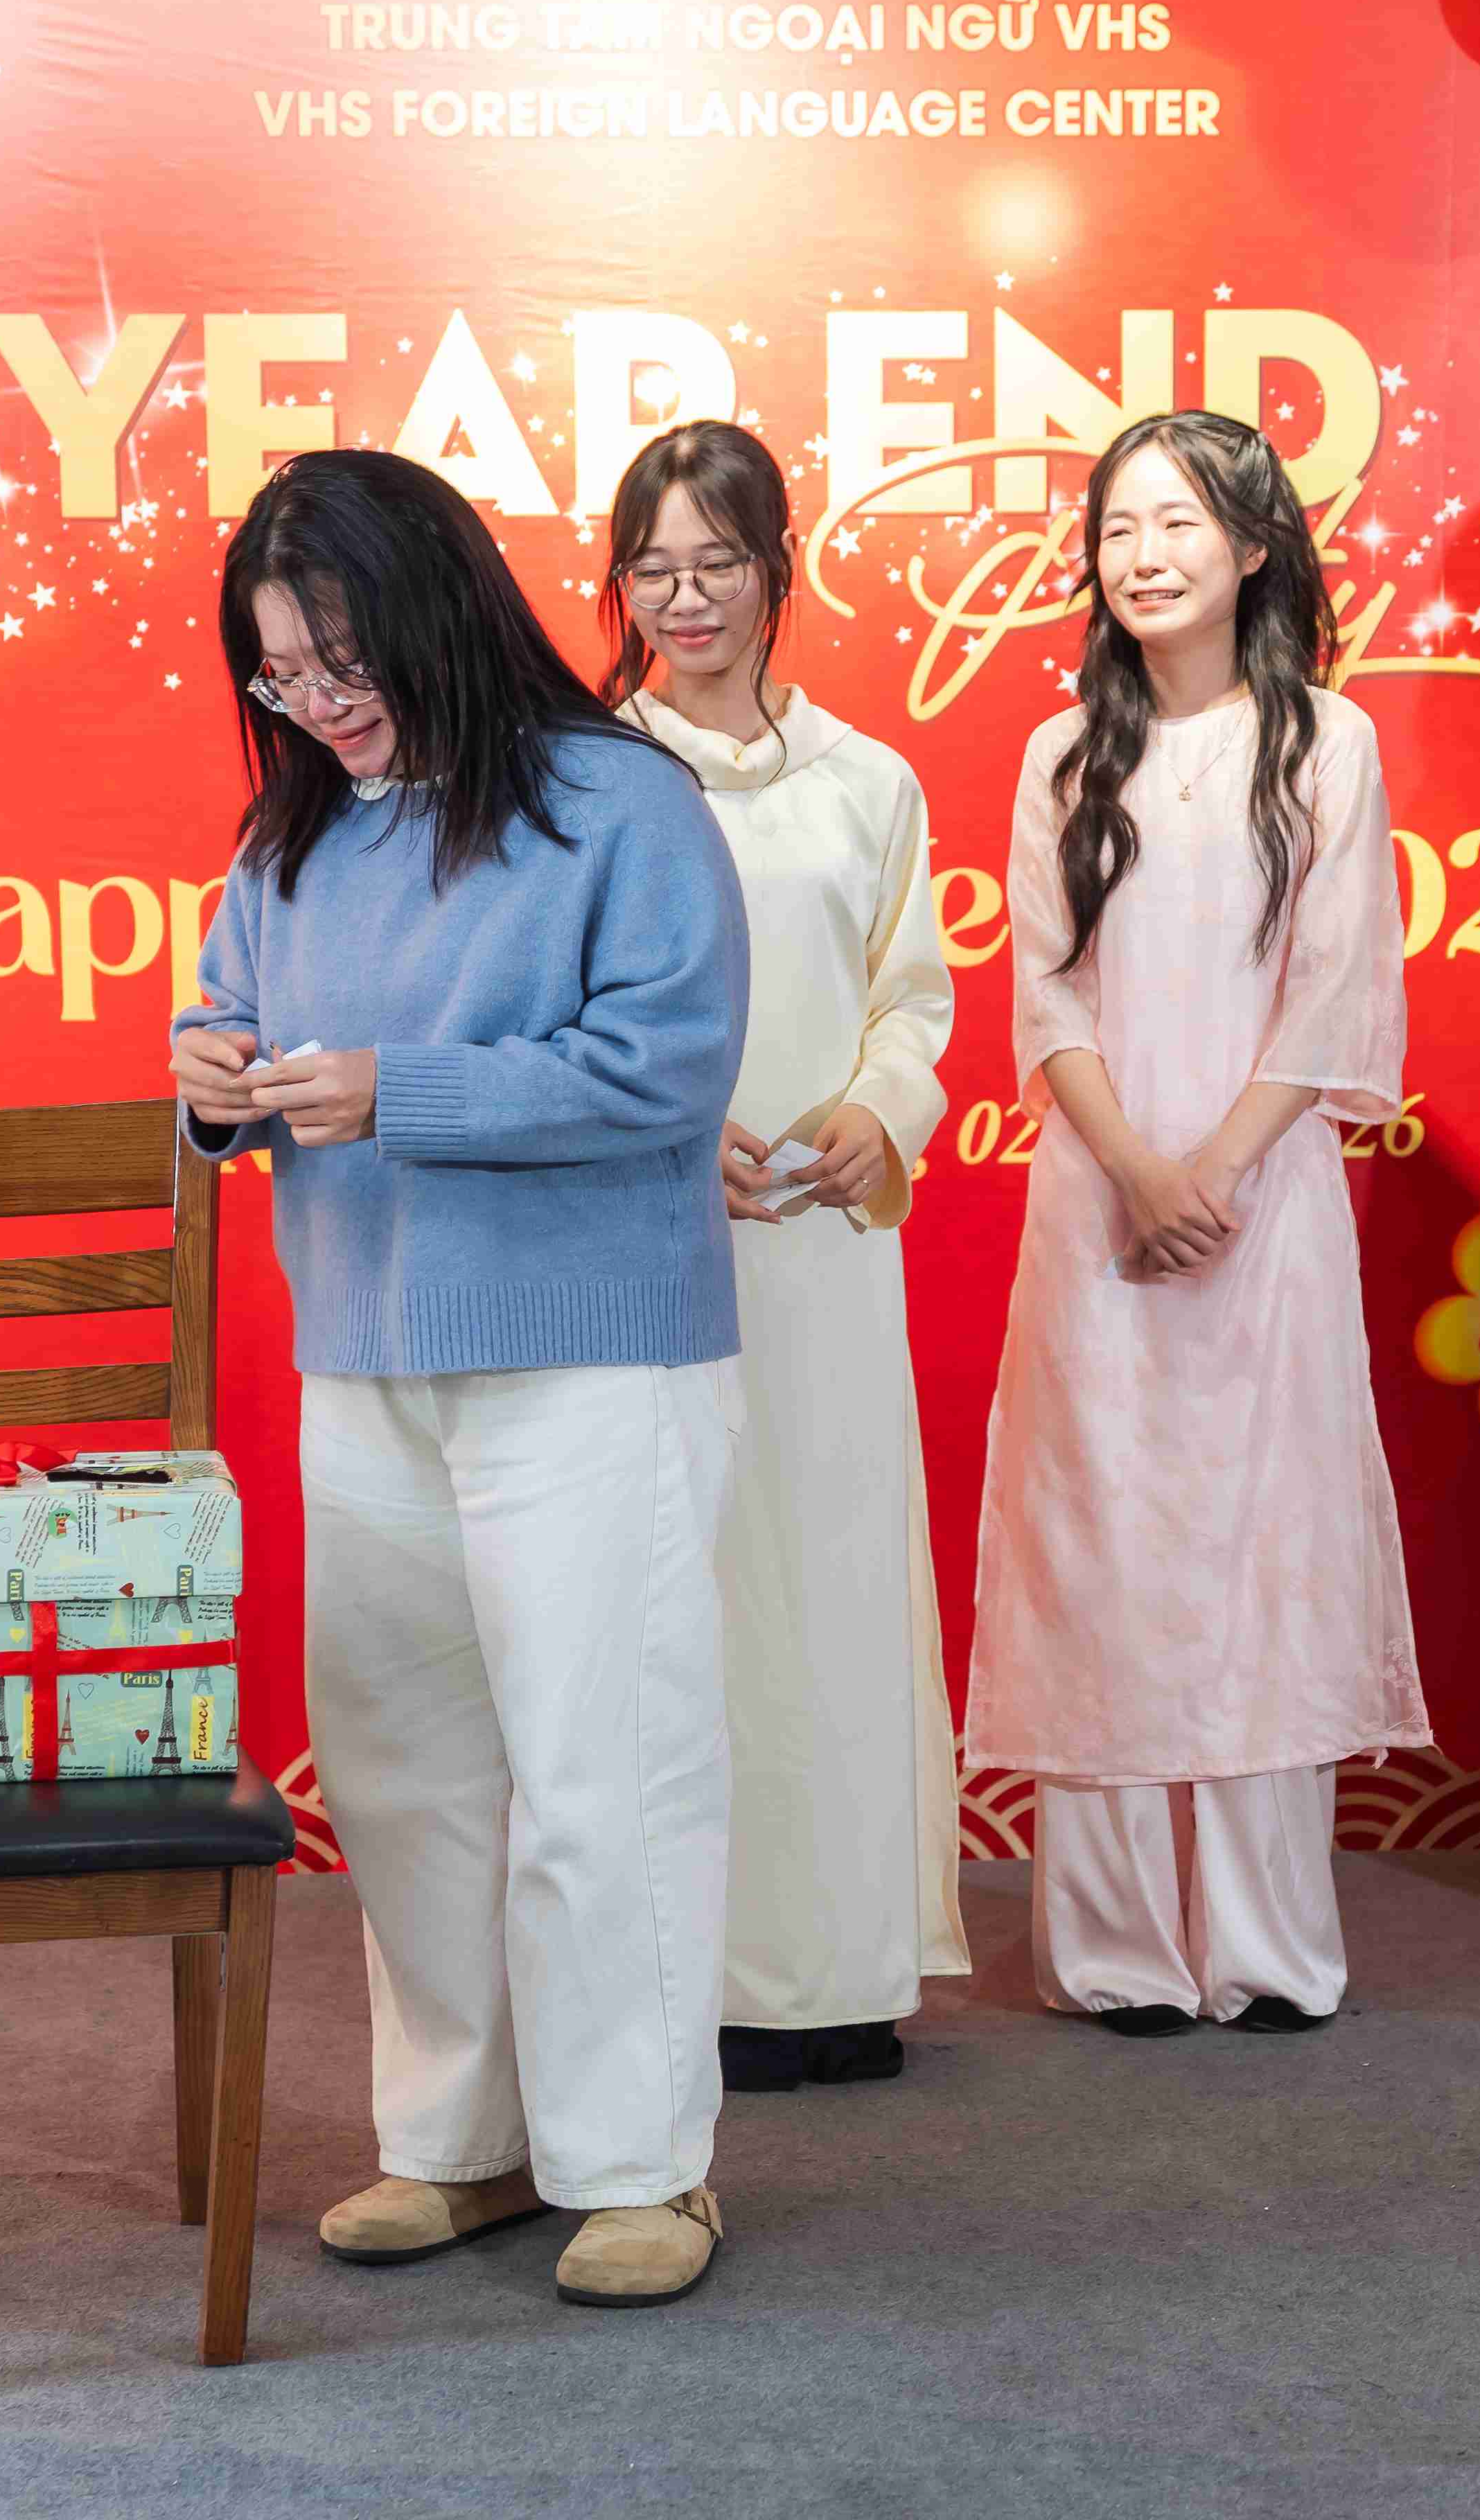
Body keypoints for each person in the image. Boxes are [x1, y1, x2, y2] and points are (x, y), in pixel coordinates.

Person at [169, 449, 750, 2306]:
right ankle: (458, 2143)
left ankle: (644, 2167)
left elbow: (665, 1068)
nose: (316, 704)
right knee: (406, 1774)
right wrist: (214, 1082)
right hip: (366, 1354)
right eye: (279, 675)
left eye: (341, 661)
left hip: (590, 1359)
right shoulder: (292, 838)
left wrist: (393, 1090)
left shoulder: (618, 801)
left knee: (602, 1764)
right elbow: (221, 1013)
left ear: (437, 612)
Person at [964, 407, 1428, 2037]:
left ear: (1252, 546)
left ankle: (1267, 1942)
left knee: (1260, 1543)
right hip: (1098, 1203)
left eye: (1177, 524)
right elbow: (1045, 997)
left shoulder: (1328, 744)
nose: (1144, 557)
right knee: (1098, 1542)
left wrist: (1215, 1169)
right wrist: (1138, 1170)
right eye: (1117, 528)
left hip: (1265, 1200)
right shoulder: (1061, 754)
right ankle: (1113, 1947)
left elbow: (1338, 988)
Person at [599, 421, 969, 2095]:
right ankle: (689, 1972)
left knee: (830, 1586)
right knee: (676, 1596)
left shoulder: (869, 781)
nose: (687, 600)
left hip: (823, 1241)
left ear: (777, 571)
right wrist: (670, 1142)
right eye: (654, 569)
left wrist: (881, 1111)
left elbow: (914, 997)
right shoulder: (588, 778)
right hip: (644, 1249)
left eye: (718, 564)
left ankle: (837, 1968)